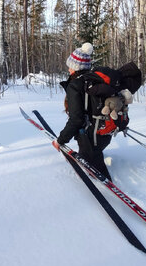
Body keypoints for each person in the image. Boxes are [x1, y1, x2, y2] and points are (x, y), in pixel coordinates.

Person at [52, 42, 129, 181]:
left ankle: (112, 196)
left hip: (89, 137)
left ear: (76, 67)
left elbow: (76, 119)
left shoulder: (76, 85)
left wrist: (60, 140)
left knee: (98, 176)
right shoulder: (94, 81)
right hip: (104, 132)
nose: (69, 69)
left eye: (70, 66)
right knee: (93, 162)